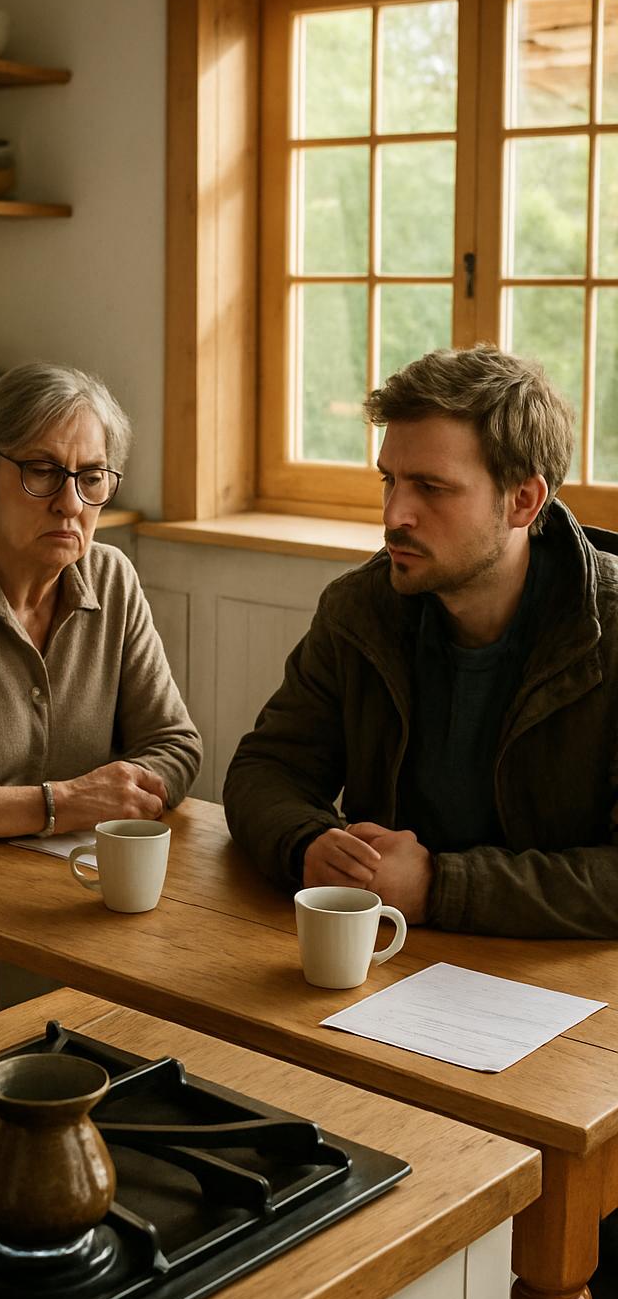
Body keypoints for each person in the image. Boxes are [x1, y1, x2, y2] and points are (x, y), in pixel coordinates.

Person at [224, 344, 618, 939]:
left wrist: (440, 886)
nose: (394, 513)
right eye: (390, 480)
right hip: (382, 954)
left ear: (523, 501)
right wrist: (307, 845)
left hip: (562, 987)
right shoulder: (359, 609)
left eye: (431, 487)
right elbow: (267, 768)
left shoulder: (609, 631)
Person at [0, 363, 202, 858]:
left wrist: (110, 796)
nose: (70, 503)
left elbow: (175, 744)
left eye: (91, 477)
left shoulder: (112, 577)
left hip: (82, 881)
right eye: (42, 472)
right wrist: (69, 802)